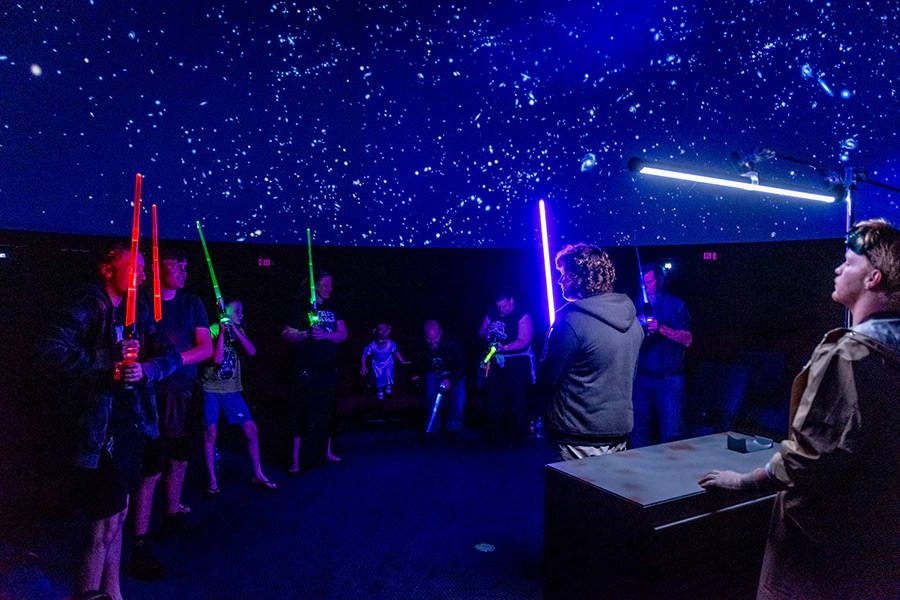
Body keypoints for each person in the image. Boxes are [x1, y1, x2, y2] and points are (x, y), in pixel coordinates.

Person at [699, 219, 900, 600]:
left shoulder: (850, 354)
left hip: (820, 545)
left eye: (848, 261)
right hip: (878, 544)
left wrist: (746, 481)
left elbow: (811, 456)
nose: (838, 269)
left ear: (873, 278)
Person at [36, 241, 180, 600]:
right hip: (98, 429)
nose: (145, 274)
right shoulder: (89, 303)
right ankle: (86, 594)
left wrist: (146, 369)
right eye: (137, 267)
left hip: (129, 423)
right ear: (107, 269)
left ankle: (113, 593)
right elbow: (48, 352)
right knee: (102, 523)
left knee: (117, 516)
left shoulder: (138, 309)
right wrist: (107, 359)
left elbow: (171, 354)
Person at [128, 248, 212, 580]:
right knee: (150, 469)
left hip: (186, 393)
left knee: (180, 459)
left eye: (185, 264)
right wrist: (158, 364)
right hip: (154, 396)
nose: (182, 269)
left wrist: (170, 361)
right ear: (157, 265)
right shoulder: (145, 302)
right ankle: (139, 540)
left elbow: (205, 348)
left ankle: (173, 514)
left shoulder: (193, 303)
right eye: (174, 263)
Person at [537, 243, 643, 461]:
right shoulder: (634, 322)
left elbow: (548, 378)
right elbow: (628, 375)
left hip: (576, 436)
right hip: (618, 434)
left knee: (574, 495)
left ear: (579, 277)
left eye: (564, 274)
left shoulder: (570, 321)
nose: (559, 281)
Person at [201, 300, 275, 495]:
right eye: (238, 311)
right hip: (211, 389)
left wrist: (234, 328)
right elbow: (216, 360)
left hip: (232, 390)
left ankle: (258, 473)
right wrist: (223, 332)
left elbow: (252, 351)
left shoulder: (239, 329)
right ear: (227, 312)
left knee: (251, 429)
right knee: (210, 433)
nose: (242, 314)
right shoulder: (213, 329)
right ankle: (212, 481)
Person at [282, 269, 347, 472]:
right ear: (315, 285)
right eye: (326, 283)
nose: (330, 287)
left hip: (328, 368)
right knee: (301, 413)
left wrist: (326, 336)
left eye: (331, 283)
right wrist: (306, 334)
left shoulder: (334, 306)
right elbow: (286, 333)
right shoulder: (300, 306)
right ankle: (295, 460)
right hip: (306, 369)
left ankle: (325, 452)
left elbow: (343, 334)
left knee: (326, 412)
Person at [629, 263, 693, 448]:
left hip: (669, 381)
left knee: (671, 435)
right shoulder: (635, 306)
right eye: (643, 282)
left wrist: (660, 328)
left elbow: (687, 339)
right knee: (638, 434)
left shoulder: (676, 305)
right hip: (641, 379)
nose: (645, 286)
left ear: (659, 282)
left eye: (649, 282)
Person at [477, 288, 534, 445]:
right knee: (494, 398)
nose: (502, 310)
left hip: (517, 360)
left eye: (505, 306)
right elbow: (481, 332)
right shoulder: (492, 311)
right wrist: (488, 333)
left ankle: (519, 438)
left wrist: (505, 348)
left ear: (511, 301)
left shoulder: (522, 314)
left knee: (516, 399)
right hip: (496, 359)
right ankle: (493, 437)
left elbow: (524, 340)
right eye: (499, 307)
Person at [413, 320, 467, 441]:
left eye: (435, 337)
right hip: (434, 374)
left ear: (440, 333)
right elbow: (417, 362)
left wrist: (450, 380)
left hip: (453, 374)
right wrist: (415, 374)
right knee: (431, 396)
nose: (432, 342)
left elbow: (462, 366)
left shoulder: (452, 343)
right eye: (429, 339)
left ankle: (454, 428)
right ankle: (431, 428)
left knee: (459, 398)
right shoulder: (421, 345)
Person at [360, 323, 410, 401]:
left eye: (385, 339)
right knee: (379, 378)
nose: (383, 341)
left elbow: (395, 352)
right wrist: (363, 366)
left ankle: (388, 385)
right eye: (381, 339)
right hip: (377, 365)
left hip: (388, 362)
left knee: (388, 374)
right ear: (375, 336)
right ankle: (380, 391)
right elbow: (364, 355)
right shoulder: (372, 346)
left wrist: (402, 360)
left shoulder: (390, 344)